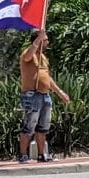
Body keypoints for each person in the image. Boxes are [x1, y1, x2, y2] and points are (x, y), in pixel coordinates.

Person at [17, 29, 70, 163]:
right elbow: (28, 57)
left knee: (43, 127)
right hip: (32, 95)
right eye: (45, 40)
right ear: (38, 40)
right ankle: (23, 155)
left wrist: (59, 92)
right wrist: (37, 40)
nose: (47, 42)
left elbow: (47, 77)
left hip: (45, 95)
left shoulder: (43, 57)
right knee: (29, 125)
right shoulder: (28, 54)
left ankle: (42, 155)